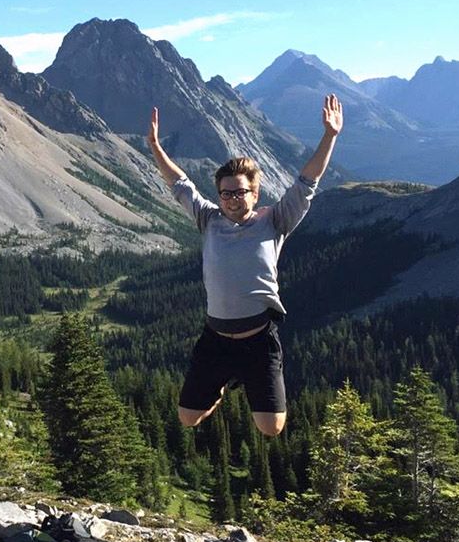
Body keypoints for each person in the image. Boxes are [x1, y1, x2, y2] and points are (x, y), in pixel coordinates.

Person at [147, 94, 343, 436]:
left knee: (271, 428)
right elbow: (179, 184)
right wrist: (155, 147)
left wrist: (330, 136)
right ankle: (222, 385)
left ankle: (240, 379)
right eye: (227, 193)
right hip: (215, 339)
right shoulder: (208, 219)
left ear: (255, 193)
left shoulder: (276, 220)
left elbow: (306, 183)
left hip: (259, 341)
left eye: (241, 192)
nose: (233, 199)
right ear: (219, 195)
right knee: (187, 418)